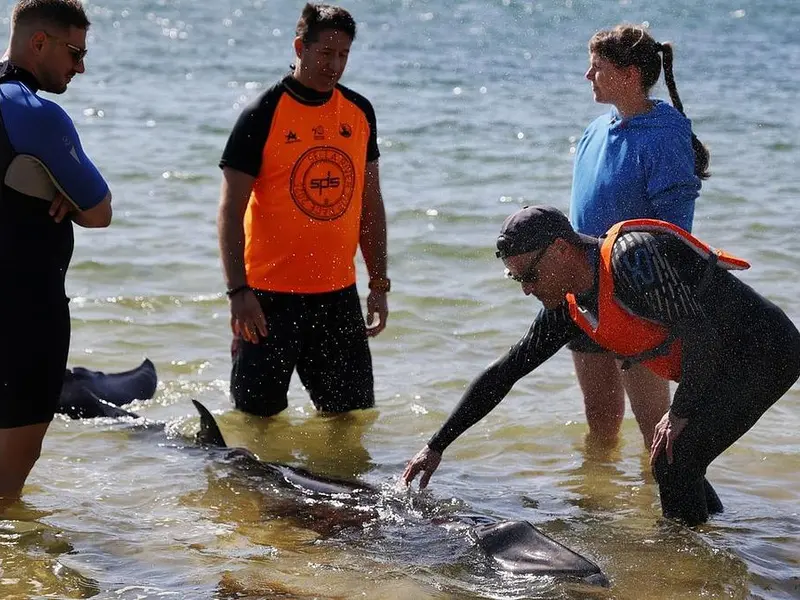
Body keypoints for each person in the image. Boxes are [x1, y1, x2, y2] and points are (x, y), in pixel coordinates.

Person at [402, 206, 800, 526]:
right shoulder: (571, 305)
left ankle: (685, 564)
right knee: (677, 459)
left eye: (530, 275)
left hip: (765, 351)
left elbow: (702, 335)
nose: (526, 289)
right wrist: (436, 445)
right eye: (516, 279)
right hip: (716, 361)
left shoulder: (633, 260)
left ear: (560, 249)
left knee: (673, 456)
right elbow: (509, 369)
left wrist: (679, 412)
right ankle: (710, 537)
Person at [217, 3, 389, 418]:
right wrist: (238, 292)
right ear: (300, 46)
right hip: (267, 299)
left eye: (344, 55)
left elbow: (371, 205)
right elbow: (229, 211)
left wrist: (379, 283)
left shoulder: (359, 112)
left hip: (336, 297)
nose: (335, 65)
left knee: (348, 418)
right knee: (256, 421)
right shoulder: (262, 113)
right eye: (325, 53)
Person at [569, 24, 710, 448]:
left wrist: (648, 304)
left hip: (639, 298)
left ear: (629, 75)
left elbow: (674, 235)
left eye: (597, 67)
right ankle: (597, 505)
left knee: (655, 429)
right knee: (599, 419)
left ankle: (661, 509)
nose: (587, 76)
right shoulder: (596, 129)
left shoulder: (666, 134)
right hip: (585, 290)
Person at [0, 0, 112, 502]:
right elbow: (99, 210)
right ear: (38, 42)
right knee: (7, 485)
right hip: (23, 315)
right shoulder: (34, 113)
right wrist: (61, 187)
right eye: (74, 52)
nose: (80, 67)